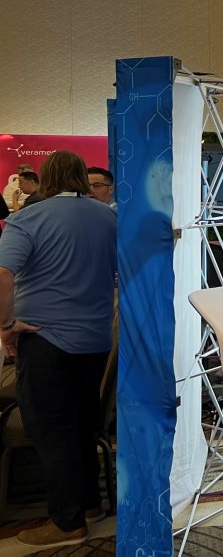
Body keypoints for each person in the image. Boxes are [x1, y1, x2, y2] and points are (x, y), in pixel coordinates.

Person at [0, 150, 116, 547]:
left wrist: (6, 325)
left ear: (46, 178)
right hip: (96, 340)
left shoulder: (28, 218)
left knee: (51, 430)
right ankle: (89, 505)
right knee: (83, 425)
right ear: (82, 177)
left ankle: (66, 522)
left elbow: (3, 273)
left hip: (46, 339)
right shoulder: (109, 218)